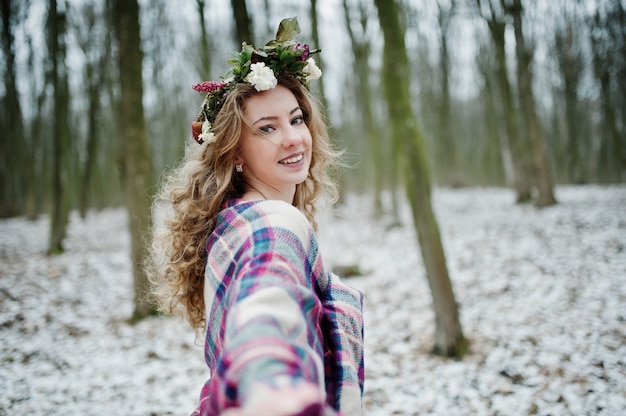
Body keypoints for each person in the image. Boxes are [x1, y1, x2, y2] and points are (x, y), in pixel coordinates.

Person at [149, 17, 364, 416]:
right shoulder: (271, 226)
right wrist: (273, 387)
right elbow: (268, 302)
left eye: (296, 119)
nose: (293, 137)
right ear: (235, 154)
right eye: (267, 129)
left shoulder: (233, 221)